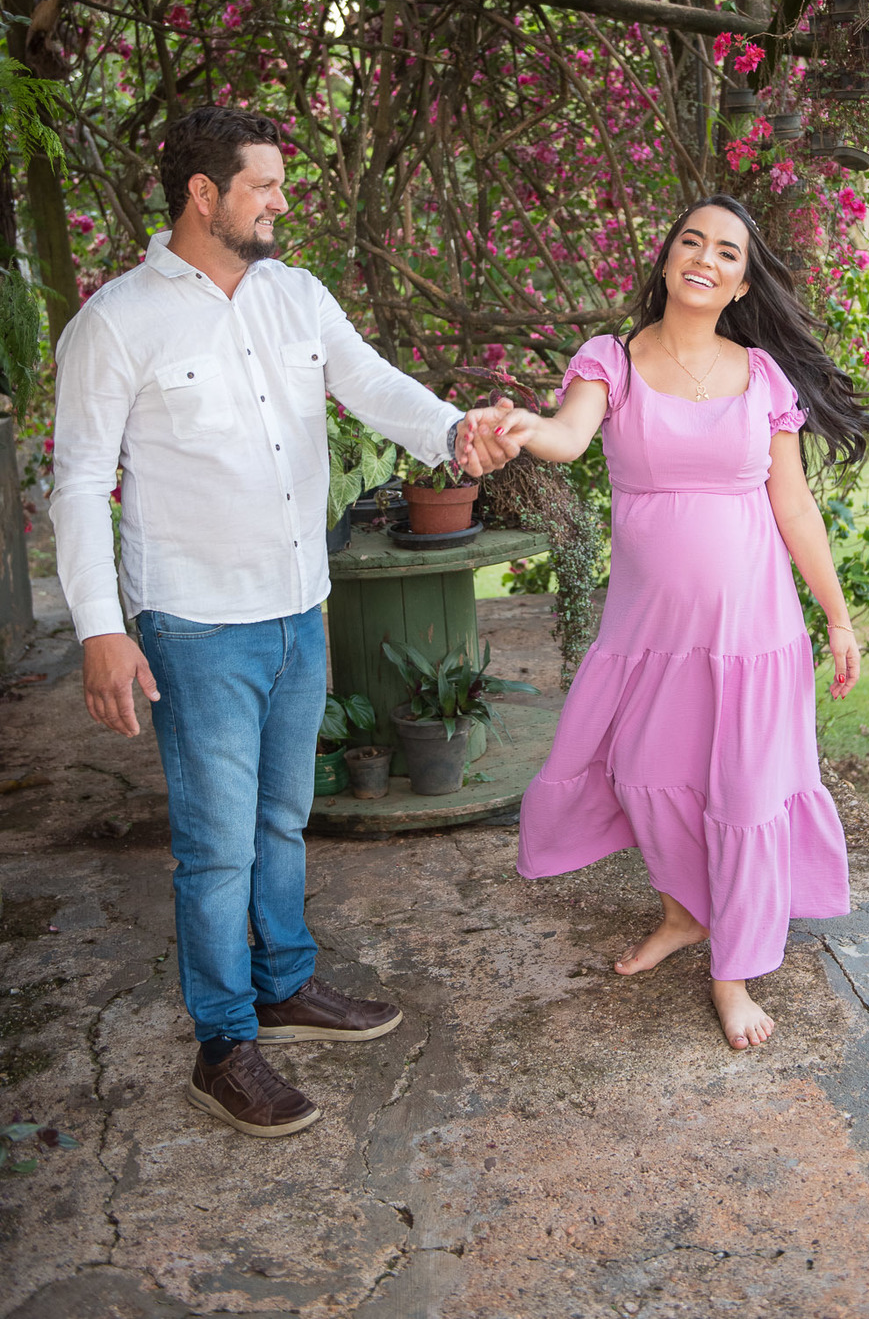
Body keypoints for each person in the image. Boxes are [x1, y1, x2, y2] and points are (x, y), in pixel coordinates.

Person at [50, 105, 517, 1138]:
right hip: (196, 624)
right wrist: (100, 629)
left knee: (281, 820)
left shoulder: (297, 295)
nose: (280, 202)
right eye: (263, 185)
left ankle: (284, 985)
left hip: (300, 607)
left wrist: (453, 429)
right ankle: (223, 1044)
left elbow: (370, 383)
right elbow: (79, 483)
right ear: (203, 194)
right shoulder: (117, 323)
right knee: (217, 848)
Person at [497, 195, 869, 1050]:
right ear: (667, 261)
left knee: (741, 795)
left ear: (741, 285)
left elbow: (794, 507)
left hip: (753, 634)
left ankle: (732, 974)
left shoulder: (763, 377)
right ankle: (683, 913)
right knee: (644, 773)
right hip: (649, 635)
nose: (706, 258)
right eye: (692, 242)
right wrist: (526, 428)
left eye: (727, 252)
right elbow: (567, 436)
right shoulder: (613, 361)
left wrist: (838, 619)